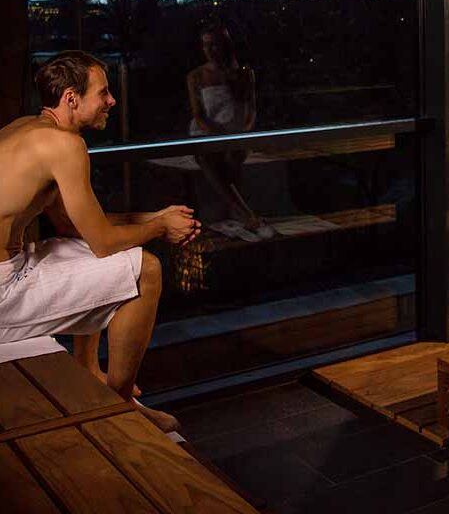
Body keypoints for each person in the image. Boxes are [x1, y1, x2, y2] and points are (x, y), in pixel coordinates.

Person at [0, 51, 201, 432]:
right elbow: (105, 243)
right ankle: (120, 405)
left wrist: (158, 217)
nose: (111, 101)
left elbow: (74, 227)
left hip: (10, 266)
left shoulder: (28, 129)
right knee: (147, 269)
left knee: (84, 255)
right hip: (2, 289)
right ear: (71, 98)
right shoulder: (64, 147)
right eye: (103, 93)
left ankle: (89, 370)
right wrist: (160, 229)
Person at [187, 24, 274, 240]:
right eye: (206, 44)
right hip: (207, 133)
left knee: (230, 159)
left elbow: (251, 109)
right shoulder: (195, 76)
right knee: (208, 157)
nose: (210, 49)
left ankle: (240, 213)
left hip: (236, 133)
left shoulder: (242, 73)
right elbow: (199, 115)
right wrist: (218, 136)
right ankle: (247, 216)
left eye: (215, 44)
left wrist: (242, 134)